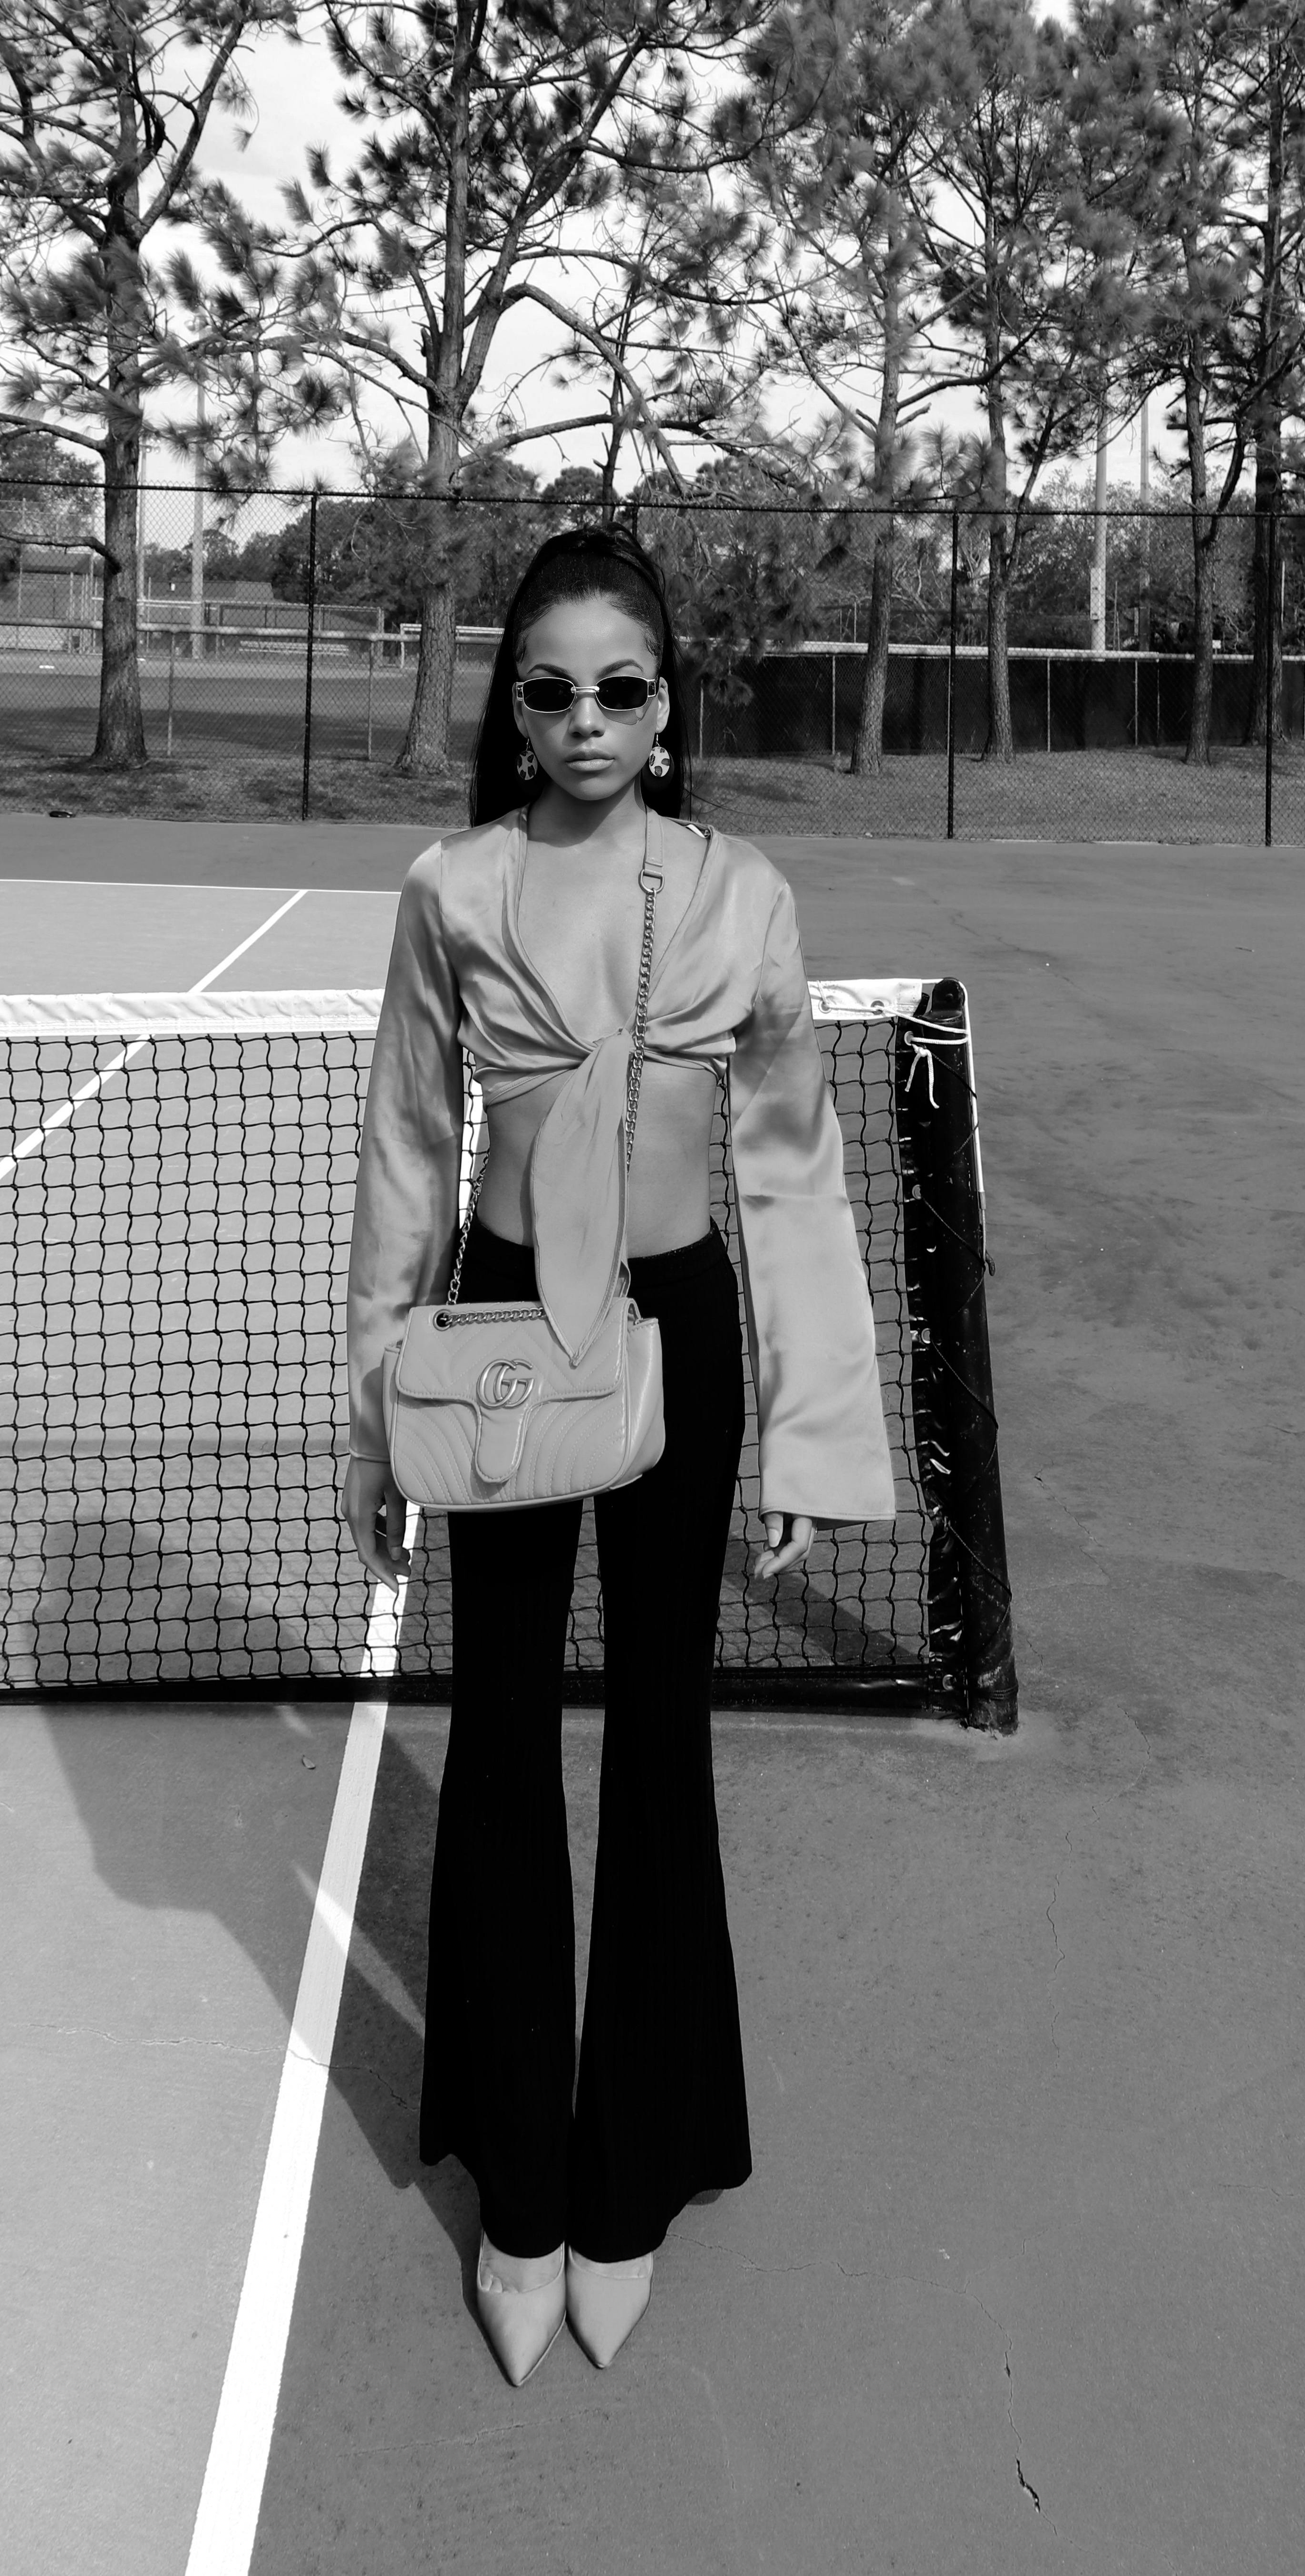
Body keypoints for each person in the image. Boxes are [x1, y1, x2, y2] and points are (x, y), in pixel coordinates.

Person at [343, 528, 894, 2385]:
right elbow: (408, 1152)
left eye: (622, 687)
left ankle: (631, 2171)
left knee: (662, 1738)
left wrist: (813, 1429)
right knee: (500, 1733)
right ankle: (519, 2183)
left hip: (682, 1333)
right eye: (551, 688)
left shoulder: (740, 893)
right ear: (513, 708)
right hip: (504, 1334)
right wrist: (375, 1408)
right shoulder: (453, 889)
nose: (587, 718)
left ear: (669, 708)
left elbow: (793, 1169)